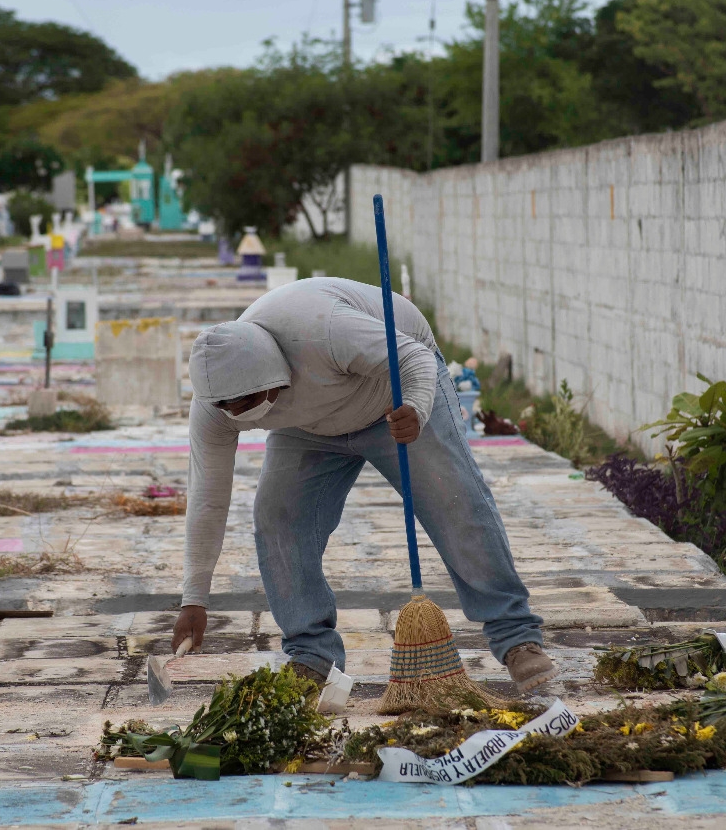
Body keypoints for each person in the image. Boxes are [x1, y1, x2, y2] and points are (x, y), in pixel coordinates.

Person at [172, 277, 556, 692]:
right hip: (309, 428)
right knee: (277, 517)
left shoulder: (326, 329)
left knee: (455, 502)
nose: (243, 415)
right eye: (234, 411)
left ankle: (517, 637)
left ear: (278, 376)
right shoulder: (216, 405)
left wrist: (416, 408)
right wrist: (194, 599)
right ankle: (311, 654)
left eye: (255, 404)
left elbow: (412, 358)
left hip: (395, 394)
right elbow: (208, 498)